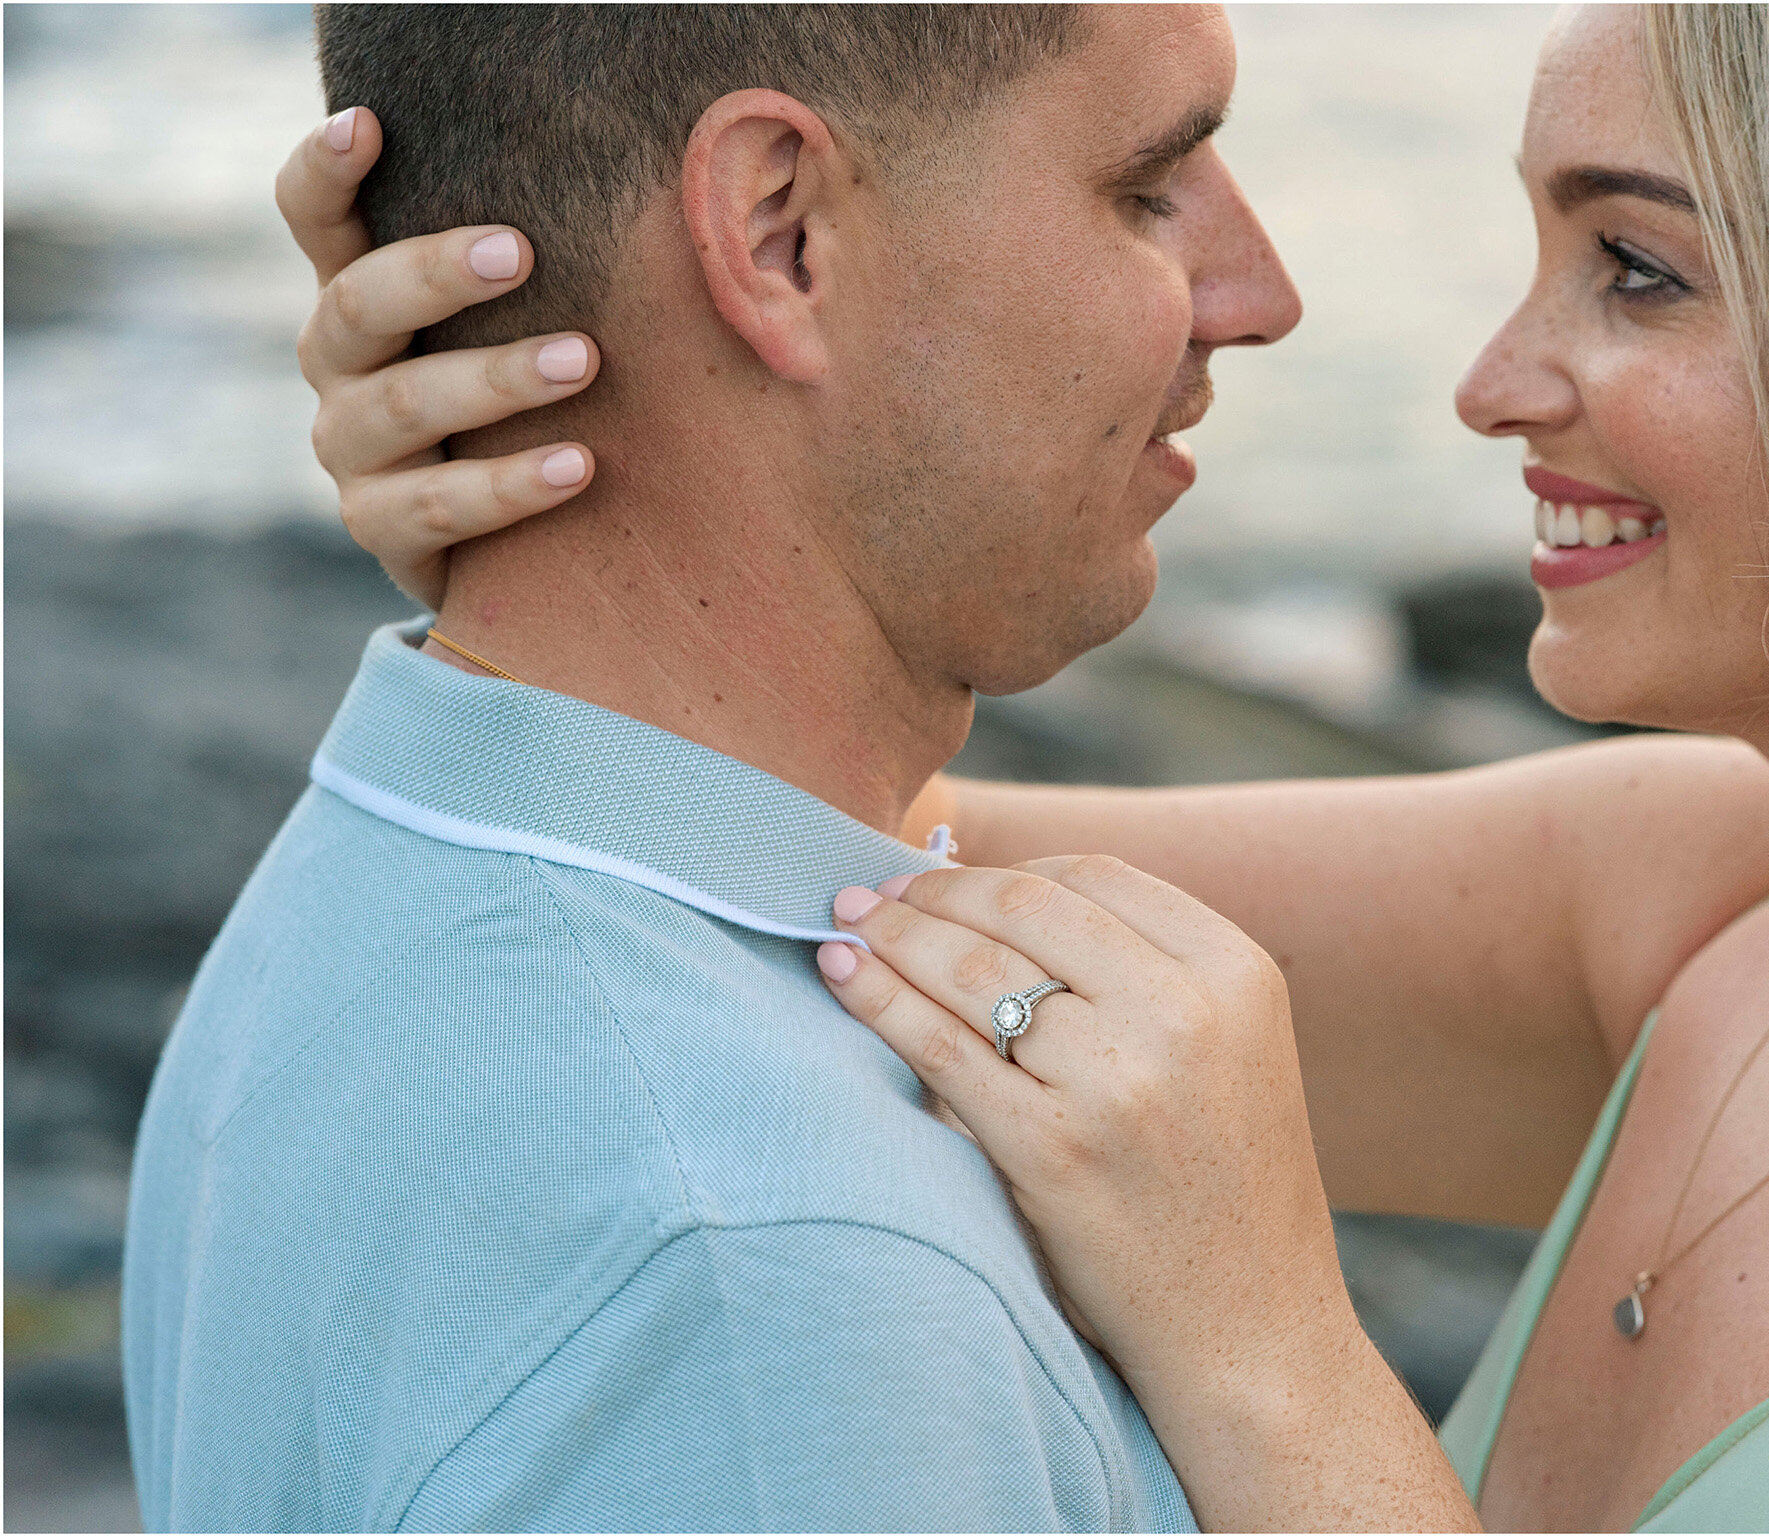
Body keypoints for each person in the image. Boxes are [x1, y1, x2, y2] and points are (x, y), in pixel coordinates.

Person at [284, 3, 1769, 1531]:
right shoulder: (1727, 906)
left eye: (1639, 270)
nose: (1494, 380)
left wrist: (1267, 1358)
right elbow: (786, 853)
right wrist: (579, 462)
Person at [122, 6, 1313, 1531]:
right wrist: (1285, 1365)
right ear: (778, 233)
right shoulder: (771, 1288)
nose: (1259, 293)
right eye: (1148, 189)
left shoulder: (374, 869)